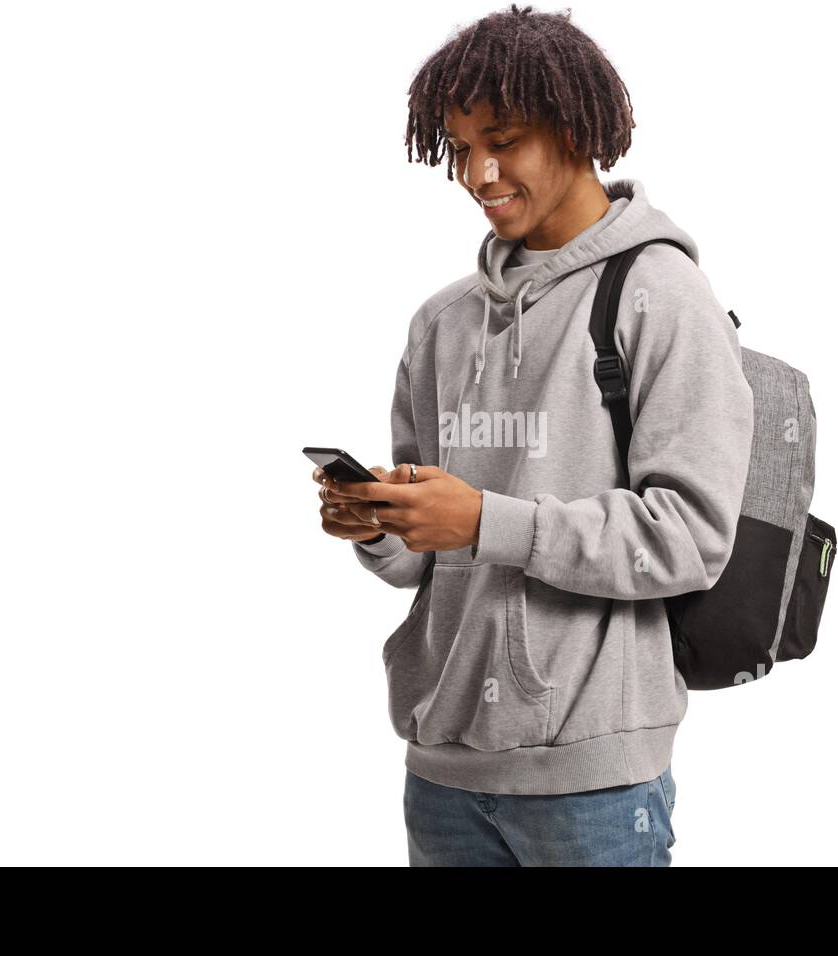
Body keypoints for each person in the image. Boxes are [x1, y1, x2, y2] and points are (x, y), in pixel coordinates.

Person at [311, 4, 753, 866]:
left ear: (575, 124)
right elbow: (424, 559)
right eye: (458, 146)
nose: (478, 171)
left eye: (502, 139)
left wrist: (484, 521)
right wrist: (378, 523)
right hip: (442, 772)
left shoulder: (662, 295)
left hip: (593, 783)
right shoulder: (441, 322)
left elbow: (692, 538)